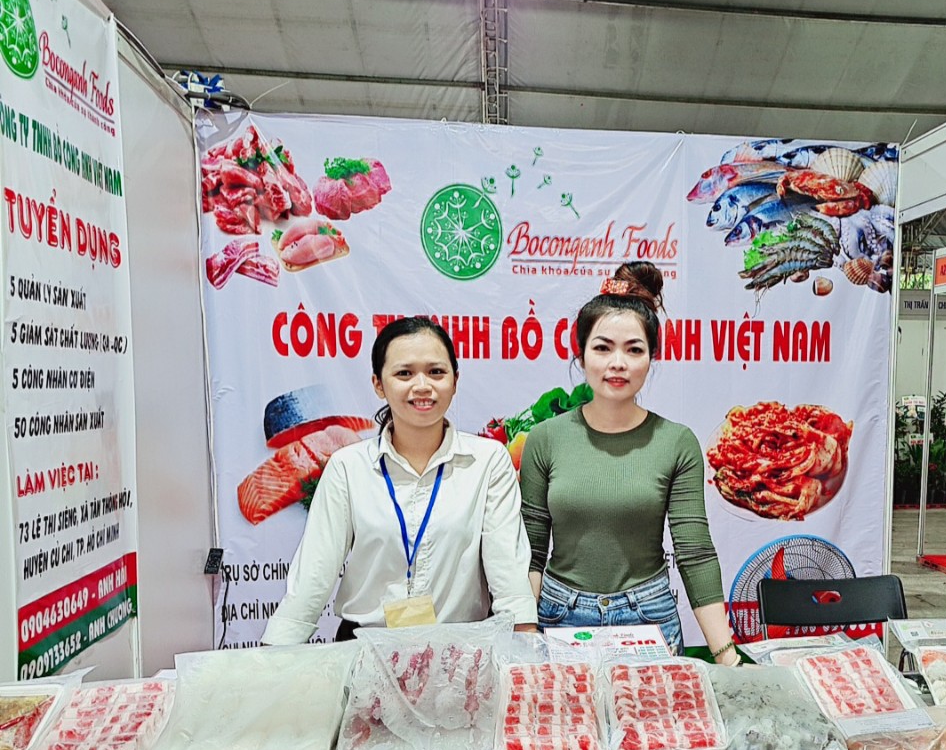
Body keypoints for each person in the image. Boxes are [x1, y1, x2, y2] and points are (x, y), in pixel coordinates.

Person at [262, 316, 537, 644]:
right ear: (379, 384)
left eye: (436, 372)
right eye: (404, 373)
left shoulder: (487, 461)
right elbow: (314, 571)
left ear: (455, 380)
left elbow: (507, 566)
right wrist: (276, 652)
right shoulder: (348, 467)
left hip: (459, 651)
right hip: (366, 647)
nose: (422, 385)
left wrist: (525, 640)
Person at [519, 262, 740, 666]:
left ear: (652, 357)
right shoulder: (545, 438)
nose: (617, 362)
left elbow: (694, 552)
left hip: (648, 617)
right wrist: (526, 639)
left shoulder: (677, 442)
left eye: (634, 349)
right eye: (602, 348)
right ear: (580, 353)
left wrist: (726, 656)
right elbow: (531, 551)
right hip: (561, 617)